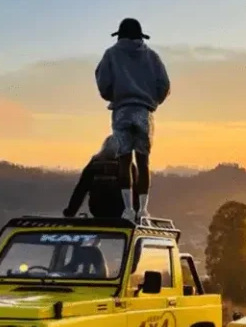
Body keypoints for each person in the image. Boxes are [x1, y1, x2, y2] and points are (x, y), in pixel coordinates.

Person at [95, 17, 171, 220]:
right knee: (143, 161)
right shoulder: (152, 57)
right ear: (140, 36)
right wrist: (152, 100)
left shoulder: (111, 54)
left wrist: (114, 95)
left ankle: (128, 210)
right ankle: (143, 210)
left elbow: (103, 84)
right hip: (144, 111)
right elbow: (164, 85)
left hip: (121, 110)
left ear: (119, 35)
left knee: (124, 161)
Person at [63, 136, 139, 219]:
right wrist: (137, 214)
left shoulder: (94, 163)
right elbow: (135, 192)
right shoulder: (127, 165)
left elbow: (80, 190)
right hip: (119, 210)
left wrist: (70, 212)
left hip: (97, 209)